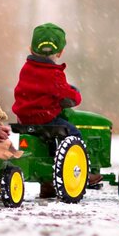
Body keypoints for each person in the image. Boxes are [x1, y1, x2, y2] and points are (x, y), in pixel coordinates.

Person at [12, 23, 102, 197]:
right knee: (73, 133)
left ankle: (48, 184)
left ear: (30, 49)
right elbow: (67, 96)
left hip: (23, 120)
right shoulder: (54, 74)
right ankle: (83, 171)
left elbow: (37, 90)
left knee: (49, 142)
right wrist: (75, 94)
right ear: (60, 53)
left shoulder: (26, 69)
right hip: (44, 119)